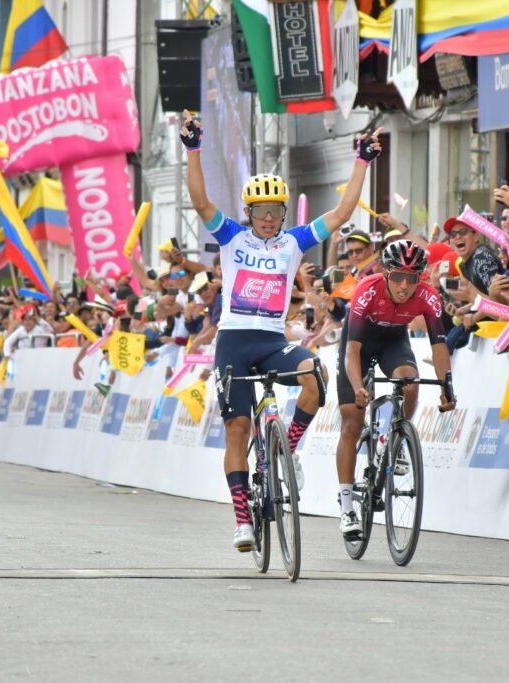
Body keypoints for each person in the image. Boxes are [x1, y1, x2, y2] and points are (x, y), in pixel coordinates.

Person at [181, 108, 380, 552]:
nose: (269, 218)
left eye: (276, 211)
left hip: (273, 340)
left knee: (316, 375)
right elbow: (199, 202)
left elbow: (344, 211)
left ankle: (287, 448)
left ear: (283, 212)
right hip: (234, 340)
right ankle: (242, 520)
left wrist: (362, 160)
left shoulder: (294, 241)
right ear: (250, 212)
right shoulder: (232, 236)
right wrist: (193, 149)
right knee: (236, 429)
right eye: (261, 211)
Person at [334, 241, 455, 537]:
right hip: (358, 346)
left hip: (393, 343)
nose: (404, 286)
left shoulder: (428, 296)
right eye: (398, 277)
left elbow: (439, 346)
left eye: (412, 279)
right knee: (352, 423)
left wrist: (447, 387)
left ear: (420, 279)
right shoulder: (367, 289)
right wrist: (357, 386)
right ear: (386, 273)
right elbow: (352, 351)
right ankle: (347, 507)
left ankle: (397, 436)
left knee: (409, 381)